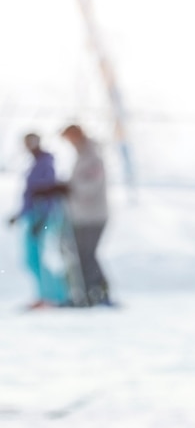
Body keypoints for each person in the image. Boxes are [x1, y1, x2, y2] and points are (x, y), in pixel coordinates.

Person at [9, 134, 70, 309]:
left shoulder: (46, 163)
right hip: (32, 215)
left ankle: (54, 295)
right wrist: (19, 215)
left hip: (41, 216)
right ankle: (44, 294)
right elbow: (30, 194)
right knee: (31, 259)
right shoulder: (34, 164)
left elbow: (47, 193)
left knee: (40, 257)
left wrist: (42, 219)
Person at [60, 125, 113, 306]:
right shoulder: (81, 156)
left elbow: (90, 186)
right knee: (81, 257)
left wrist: (69, 188)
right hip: (80, 215)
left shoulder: (93, 157)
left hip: (94, 216)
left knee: (88, 255)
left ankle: (102, 294)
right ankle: (87, 295)